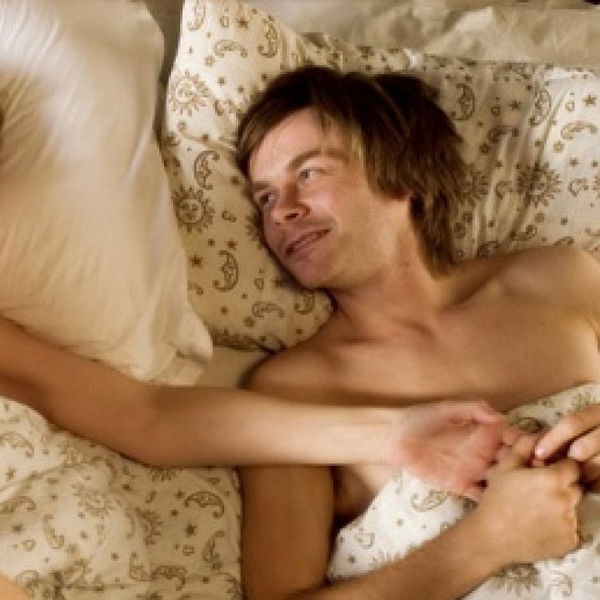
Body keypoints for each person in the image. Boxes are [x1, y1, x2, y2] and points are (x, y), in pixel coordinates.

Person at [236, 65, 600, 599]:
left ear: (401, 173)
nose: (282, 212)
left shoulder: (560, 280)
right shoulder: (294, 387)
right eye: (265, 197)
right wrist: (486, 542)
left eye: (308, 173)